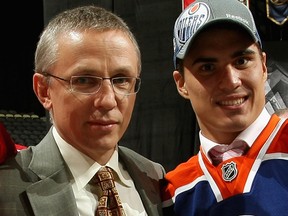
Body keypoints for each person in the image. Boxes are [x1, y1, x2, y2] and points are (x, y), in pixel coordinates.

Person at [0, 5, 165, 216]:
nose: (107, 100)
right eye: (85, 80)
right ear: (44, 91)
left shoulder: (154, 177)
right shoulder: (5, 187)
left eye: (121, 80)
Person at [161, 0, 288, 215]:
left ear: (264, 66)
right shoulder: (172, 193)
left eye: (241, 61)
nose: (231, 81)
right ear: (181, 83)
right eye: (208, 67)